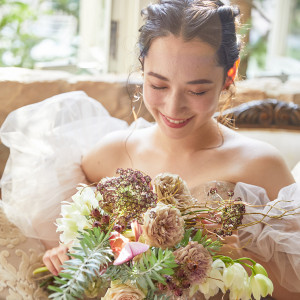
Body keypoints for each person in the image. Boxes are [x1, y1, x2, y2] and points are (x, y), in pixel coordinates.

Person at [0, 0, 299, 299]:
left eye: (197, 90)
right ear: (142, 67)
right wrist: (69, 253)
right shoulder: (112, 152)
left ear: (229, 75)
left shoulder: (261, 165)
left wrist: (238, 258)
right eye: (158, 85)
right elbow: (88, 244)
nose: (173, 107)